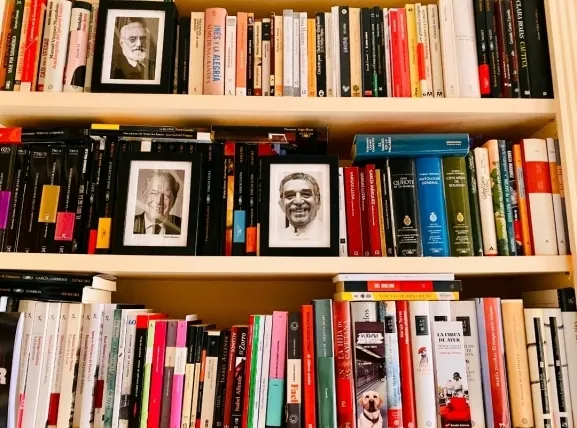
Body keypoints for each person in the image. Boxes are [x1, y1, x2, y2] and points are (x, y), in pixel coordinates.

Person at [133, 170, 181, 235]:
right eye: (154, 193)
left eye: (166, 195)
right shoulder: (129, 224)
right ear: (144, 195)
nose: (158, 201)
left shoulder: (182, 227)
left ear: (174, 201)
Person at [278, 172, 323, 241]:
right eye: (290, 196)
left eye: (306, 195)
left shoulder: (329, 235)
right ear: (281, 205)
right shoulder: (277, 239)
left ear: (318, 202)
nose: (298, 201)